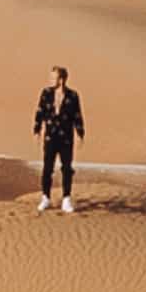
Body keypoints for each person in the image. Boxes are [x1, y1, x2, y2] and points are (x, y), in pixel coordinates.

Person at [35, 68, 85, 213]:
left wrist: (80, 133)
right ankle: (45, 197)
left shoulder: (73, 96)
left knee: (67, 168)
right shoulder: (46, 93)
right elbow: (40, 112)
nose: (51, 80)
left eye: (53, 78)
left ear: (61, 80)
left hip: (66, 138)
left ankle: (66, 199)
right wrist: (37, 130)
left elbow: (77, 115)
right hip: (50, 136)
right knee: (47, 167)